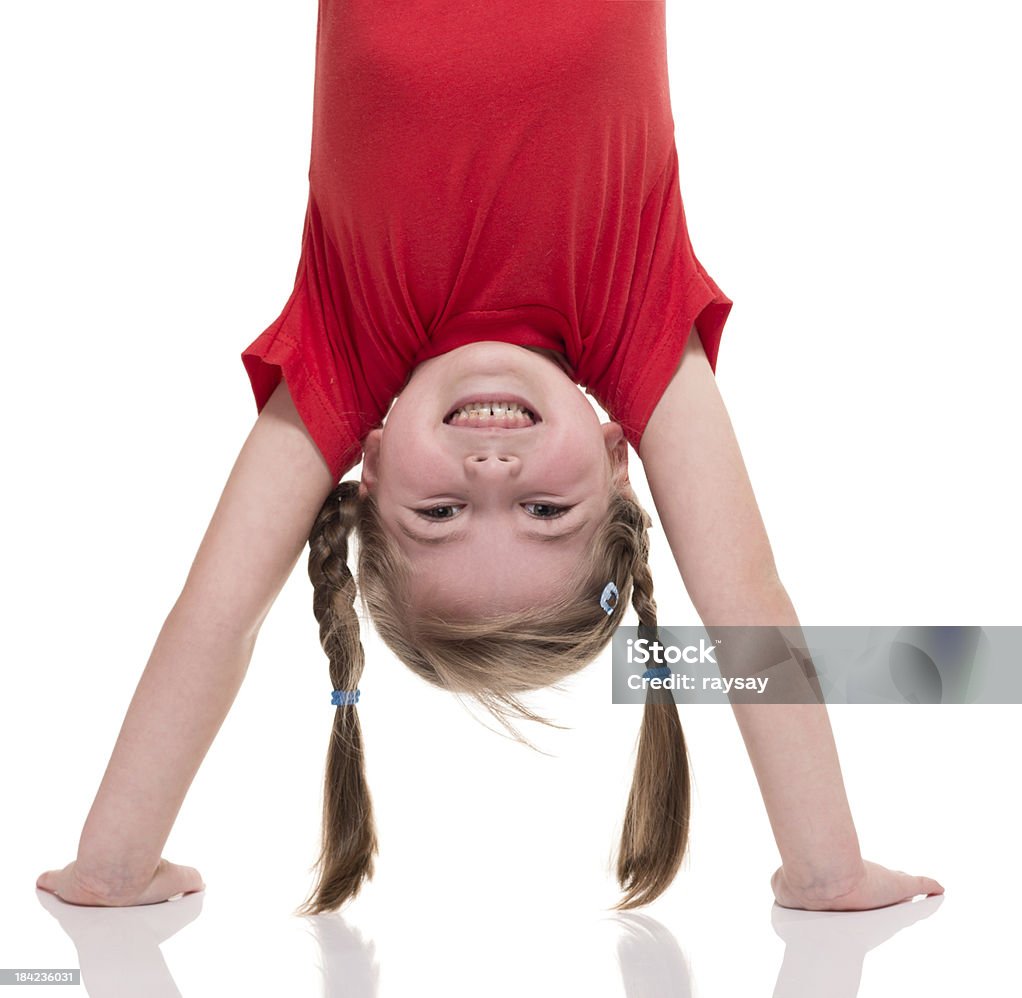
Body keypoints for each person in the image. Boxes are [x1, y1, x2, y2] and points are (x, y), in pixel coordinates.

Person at [37, 1, 943, 914]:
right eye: (546, 511)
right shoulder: (635, 319)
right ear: (617, 464)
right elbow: (745, 597)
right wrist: (826, 867)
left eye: (440, 515)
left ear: (372, 471)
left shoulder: (345, 348)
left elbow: (219, 613)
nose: (492, 476)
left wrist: (115, 863)